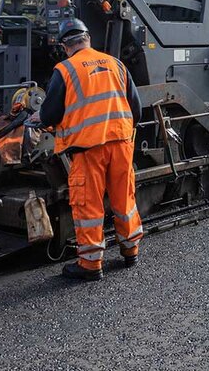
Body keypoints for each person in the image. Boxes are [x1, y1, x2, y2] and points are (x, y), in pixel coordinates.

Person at [38, 18, 143, 281]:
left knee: (89, 206)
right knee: (124, 199)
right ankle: (131, 251)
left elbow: (49, 115)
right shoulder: (115, 64)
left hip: (88, 149)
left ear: (65, 46)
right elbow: (137, 109)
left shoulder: (65, 70)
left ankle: (90, 264)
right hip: (120, 144)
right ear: (88, 39)